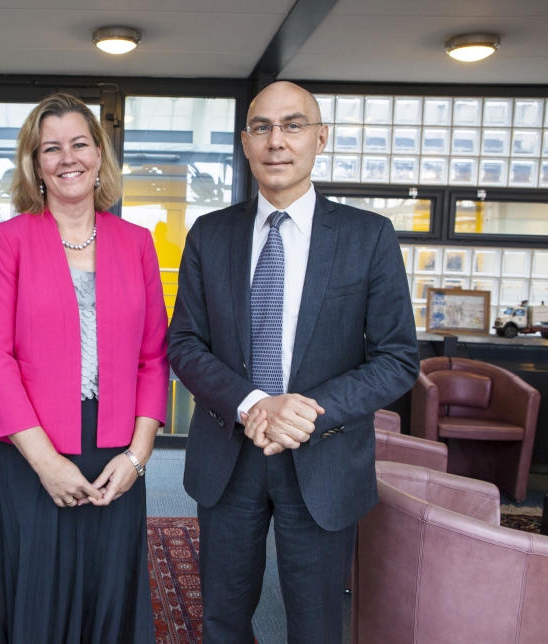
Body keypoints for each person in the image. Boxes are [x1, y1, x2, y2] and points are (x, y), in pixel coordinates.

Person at [168, 81, 419, 643]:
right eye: (262, 127)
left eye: (293, 125)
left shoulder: (367, 236)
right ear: (245, 141)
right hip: (230, 455)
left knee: (318, 625)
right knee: (223, 620)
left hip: (324, 459)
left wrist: (307, 413)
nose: (276, 140)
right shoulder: (210, 234)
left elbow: (398, 358)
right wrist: (255, 404)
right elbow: (184, 343)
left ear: (319, 138)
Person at [0, 92, 168, 644]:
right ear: (35, 165)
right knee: (34, 590)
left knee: (107, 589)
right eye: (49, 148)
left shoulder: (137, 243)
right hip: (29, 451)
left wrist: (138, 456)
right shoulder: (6, 241)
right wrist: (46, 462)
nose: (67, 158)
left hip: (115, 449)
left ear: (100, 155)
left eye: (79, 143)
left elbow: (154, 357)